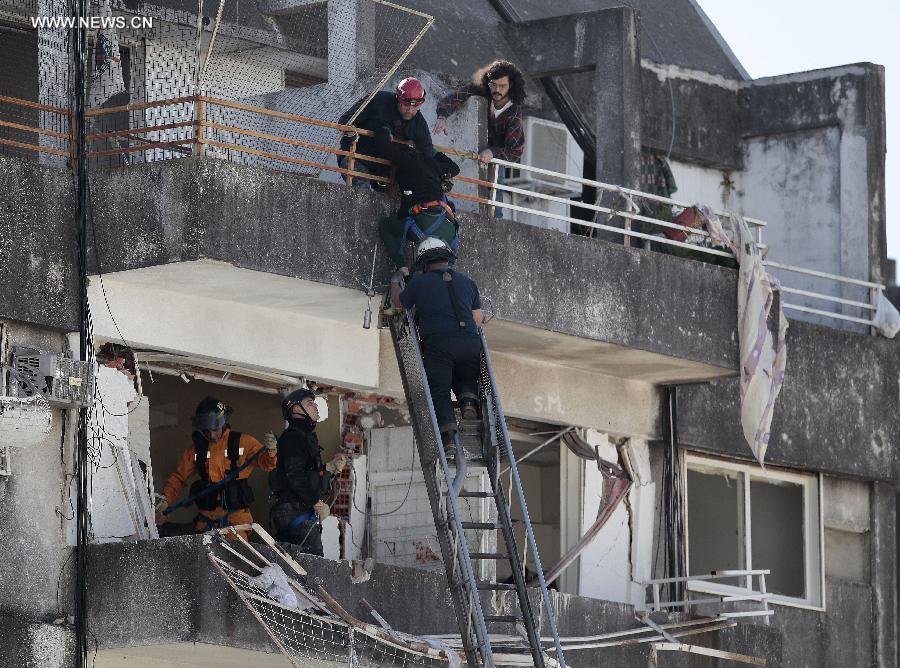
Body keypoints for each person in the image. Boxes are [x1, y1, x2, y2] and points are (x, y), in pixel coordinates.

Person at [390, 238, 484, 450]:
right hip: (470, 341)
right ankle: (468, 401)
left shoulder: (419, 283)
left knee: (439, 390)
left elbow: (399, 303)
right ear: (447, 259)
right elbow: (477, 317)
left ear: (425, 263)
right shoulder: (468, 282)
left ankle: (449, 437)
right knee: (466, 374)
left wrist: (395, 281)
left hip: (439, 343)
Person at [156, 397, 276, 538]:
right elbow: (178, 477)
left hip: (236, 523)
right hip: (205, 523)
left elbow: (267, 464)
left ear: (223, 422)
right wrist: (165, 502)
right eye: (207, 431)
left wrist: (272, 451)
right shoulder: (196, 451)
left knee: (233, 557)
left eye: (215, 429)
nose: (212, 435)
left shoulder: (243, 442)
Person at [433, 60, 526, 216]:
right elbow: (452, 99)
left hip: (495, 158)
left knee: (494, 203)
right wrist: (442, 117)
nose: (497, 90)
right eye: (493, 85)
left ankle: (494, 222)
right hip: (472, 152)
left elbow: (515, 151)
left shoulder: (514, 112)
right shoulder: (481, 91)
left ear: (511, 86)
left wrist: (493, 152)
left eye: (502, 86)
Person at [269, 388, 347, 556]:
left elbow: (307, 472)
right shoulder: (293, 437)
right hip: (294, 512)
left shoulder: (304, 436)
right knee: (310, 566)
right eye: (310, 403)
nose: (316, 407)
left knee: (302, 565)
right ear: (296, 409)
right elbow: (294, 476)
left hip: (298, 510)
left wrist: (329, 468)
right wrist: (315, 502)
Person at [372, 125, 462, 270]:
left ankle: (402, 268)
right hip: (448, 229)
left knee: (386, 226)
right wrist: (431, 150)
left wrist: (384, 129)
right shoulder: (433, 164)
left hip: (424, 222)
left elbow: (383, 147)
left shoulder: (405, 161)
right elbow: (455, 168)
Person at [337, 77, 433, 189]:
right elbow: (345, 120)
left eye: (415, 106)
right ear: (398, 98)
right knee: (361, 192)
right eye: (406, 105)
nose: (410, 110)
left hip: (386, 171)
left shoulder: (418, 123)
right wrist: (349, 130)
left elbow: (427, 154)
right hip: (356, 158)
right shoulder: (376, 100)